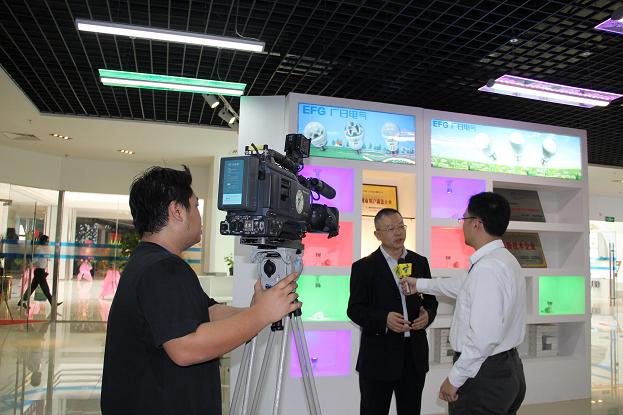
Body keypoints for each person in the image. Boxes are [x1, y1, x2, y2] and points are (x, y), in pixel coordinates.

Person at [100, 165, 302, 415]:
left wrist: (257, 308)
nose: (199, 214)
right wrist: (260, 315)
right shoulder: (163, 268)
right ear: (177, 211)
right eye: (195, 206)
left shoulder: (148, 261)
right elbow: (185, 347)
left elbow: (207, 312)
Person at [401, 192, 526, 414]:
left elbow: (484, 337)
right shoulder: (503, 259)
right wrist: (419, 284)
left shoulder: (487, 268)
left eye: (464, 219)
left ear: (477, 223)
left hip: (484, 375)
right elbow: (463, 286)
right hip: (507, 367)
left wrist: (455, 378)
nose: (462, 225)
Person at [347, 208, 438, 415]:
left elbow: (431, 301)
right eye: (390, 228)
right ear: (377, 234)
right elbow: (355, 309)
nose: (398, 232)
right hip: (379, 357)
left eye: (400, 226)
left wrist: (427, 315)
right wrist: (384, 319)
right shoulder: (364, 267)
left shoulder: (419, 262)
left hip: (413, 356)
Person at [18, 234, 61, 308]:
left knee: (34, 288)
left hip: (41, 271)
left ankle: (22, 301)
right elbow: (35, 259)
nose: (48, 243)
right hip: (39, 271)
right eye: (47, 241)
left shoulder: (43, 249)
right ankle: (53, 303)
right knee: (45, 289)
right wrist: (29, 264)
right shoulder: (39, 249)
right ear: (43, 241)